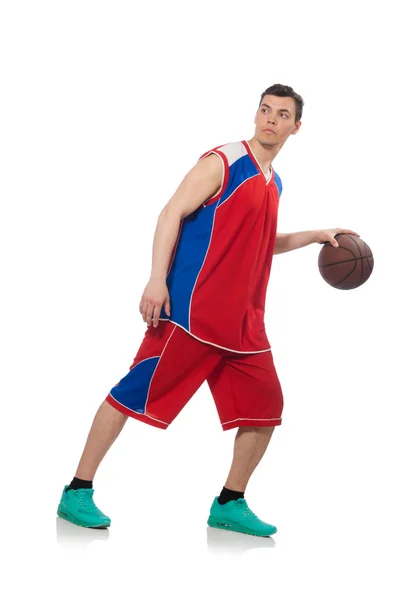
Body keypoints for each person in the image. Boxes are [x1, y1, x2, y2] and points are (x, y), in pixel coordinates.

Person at [57, 83, 359, 536]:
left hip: (243, 325)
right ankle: (77, 490)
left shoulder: (272, 181)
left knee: (266, 407)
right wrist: (157, 279)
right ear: (255, 115)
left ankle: (229, 503)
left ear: (297, 127)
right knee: (129, 393)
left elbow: (261, 242)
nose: (270, 119)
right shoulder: (223, 161)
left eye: (281, 115)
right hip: (192, 314)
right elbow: (170, 213)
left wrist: (314, 235)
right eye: (264, 110)